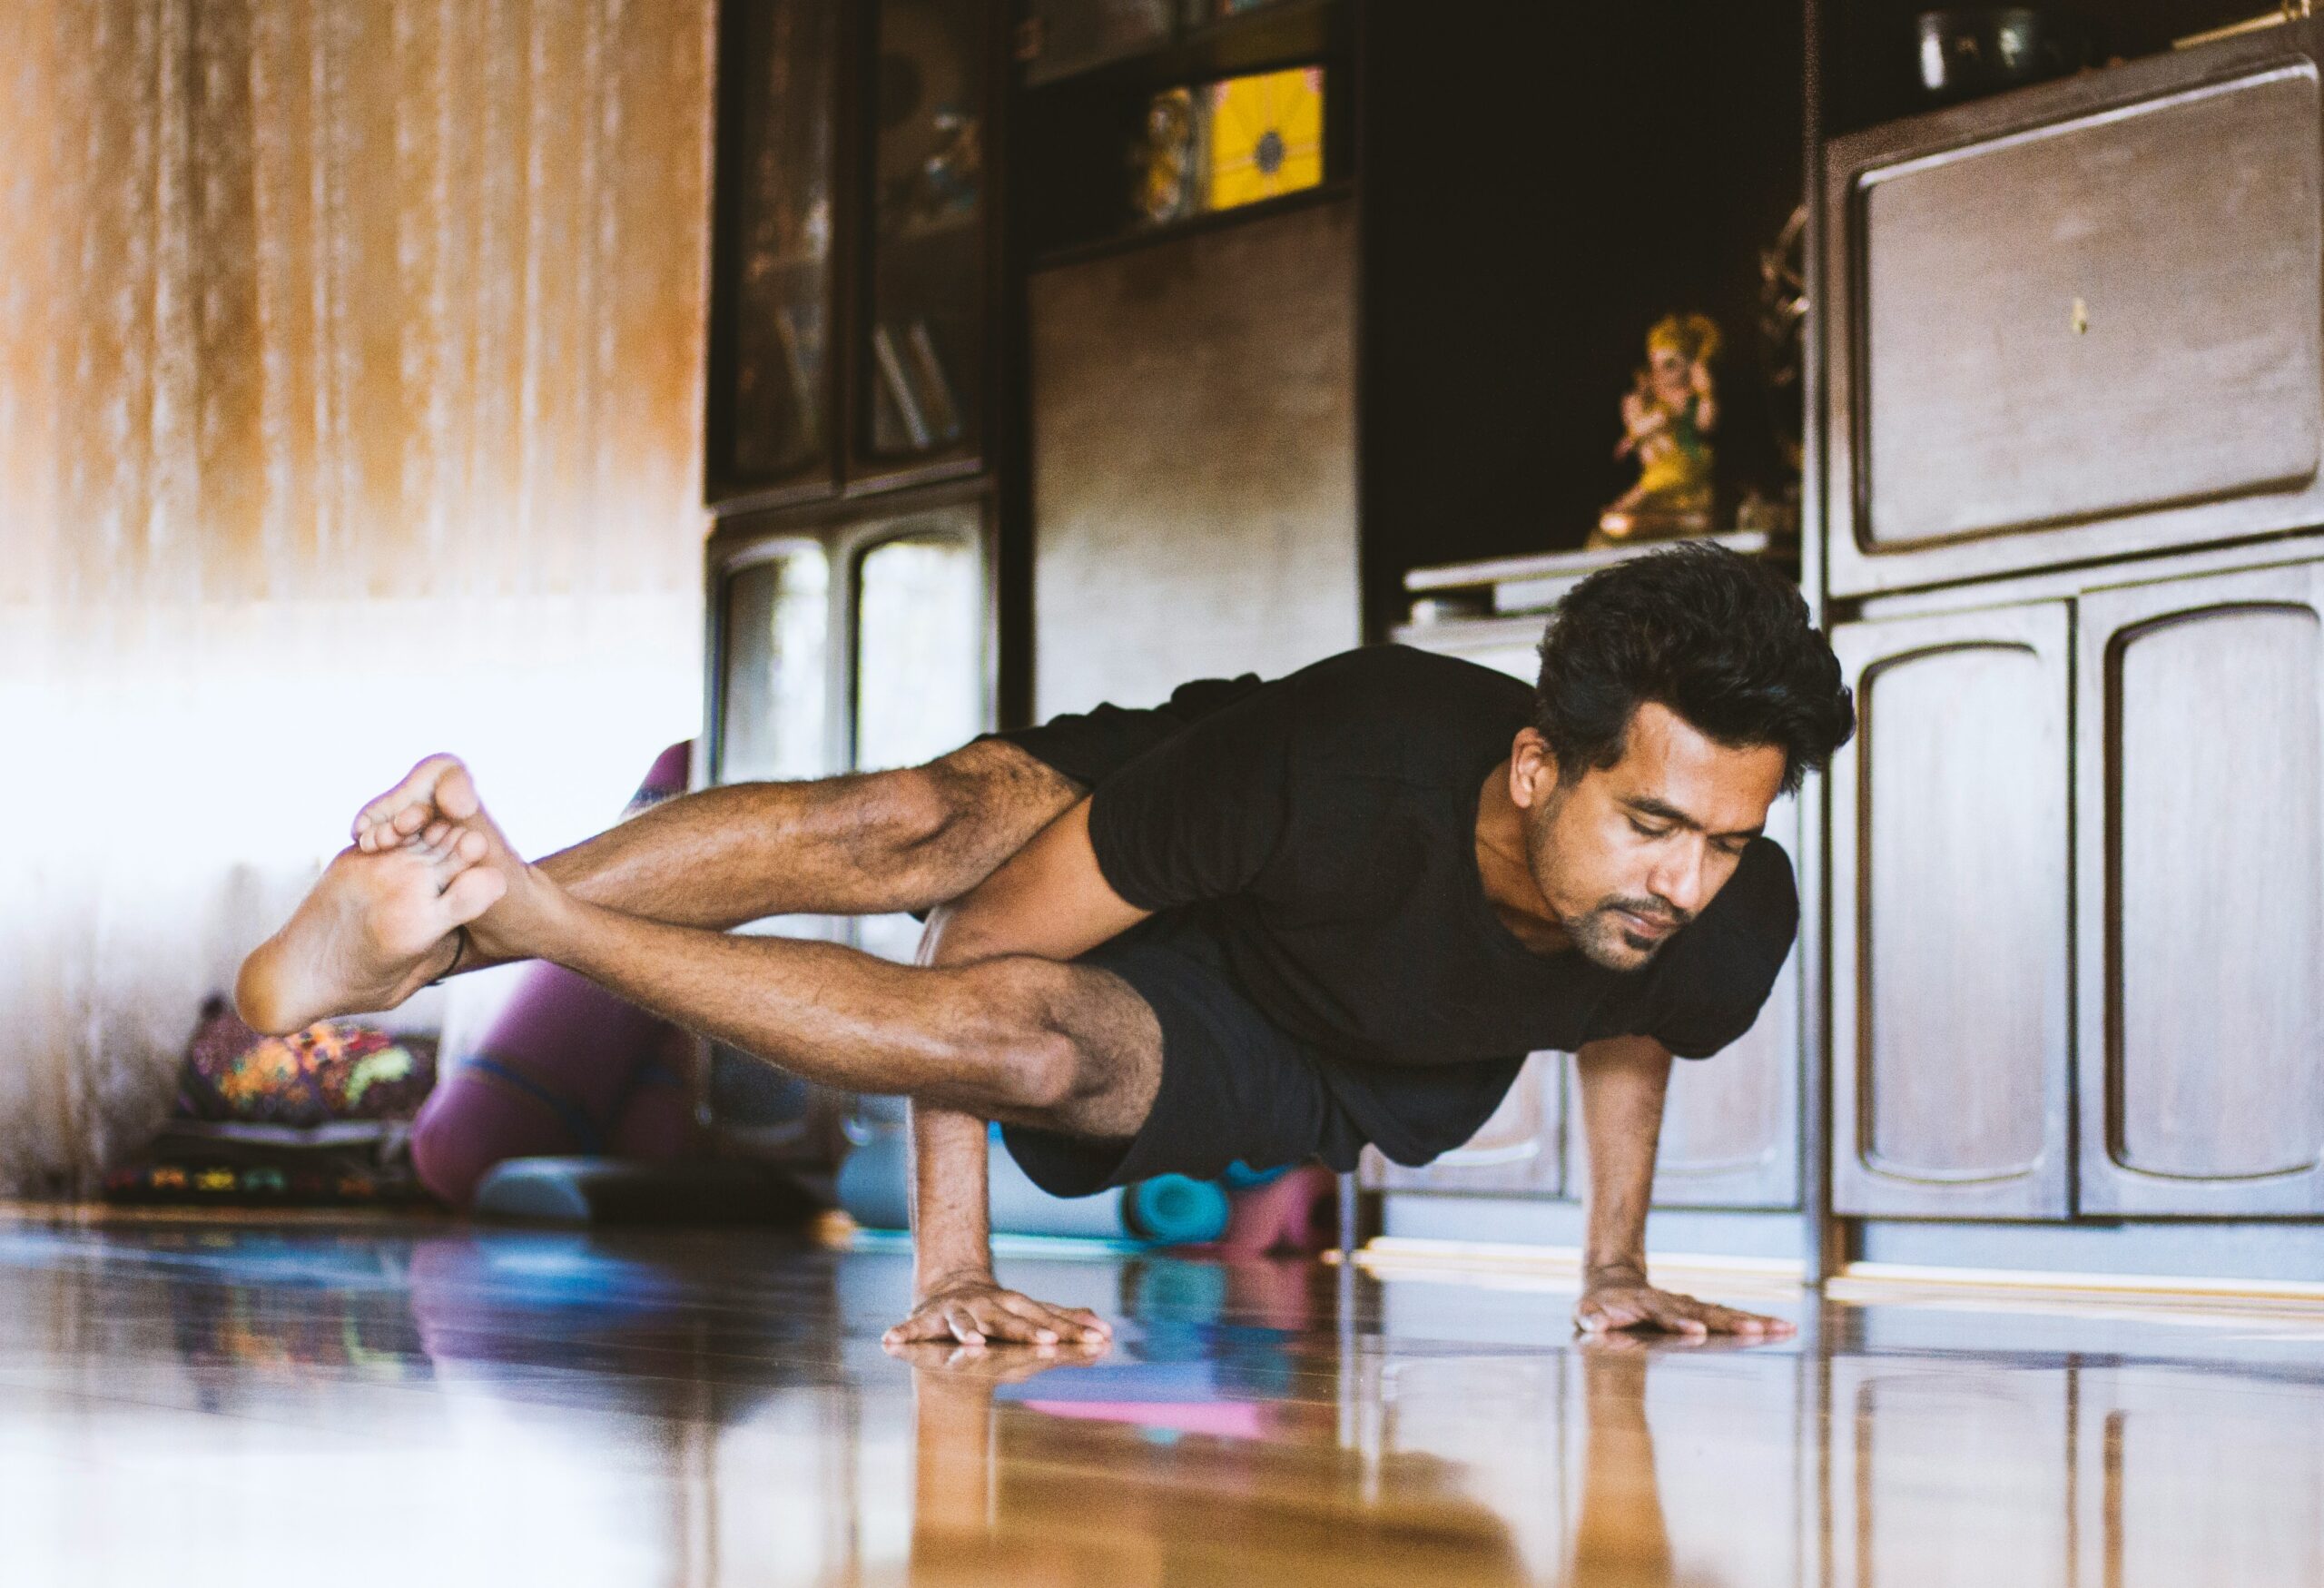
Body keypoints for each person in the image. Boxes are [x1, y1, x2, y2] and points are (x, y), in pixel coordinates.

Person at [236, 543, 1855, 1347]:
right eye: (1649, 824)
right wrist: (956, 1264)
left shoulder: (1721, 896)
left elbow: (1643, 1007)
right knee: (918, 826)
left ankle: (497, 910)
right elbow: (977, 925)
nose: (1684, 877)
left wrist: (1614, 1267)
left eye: (1723, 836)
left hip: (1308, 1047)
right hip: (1225, 826)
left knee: (1036, 1046)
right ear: (1534, 764)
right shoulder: (1329, 760)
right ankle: (449, 923)